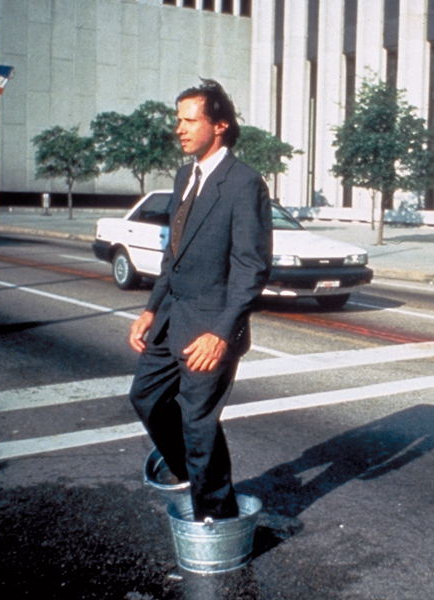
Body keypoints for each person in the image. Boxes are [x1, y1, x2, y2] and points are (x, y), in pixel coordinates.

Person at [128, 80, 272, 520]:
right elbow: (176, 252)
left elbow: (252, 268)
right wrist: (151, 308)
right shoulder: (183, 176)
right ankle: (191, 470)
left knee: (198, 424)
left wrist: (223, 334)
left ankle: (217, 518)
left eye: (190, 120)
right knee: (145, 397)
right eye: (178, 120)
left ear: (220, 124)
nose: (180, 129)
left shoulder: (244, 184)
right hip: (172, 316)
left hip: (211, 327)